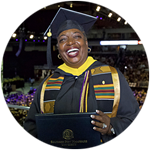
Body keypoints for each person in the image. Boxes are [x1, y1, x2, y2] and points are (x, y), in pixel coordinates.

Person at [24, 7, 140, 144]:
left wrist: (111, 127)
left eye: (77, 36)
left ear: (86, 43)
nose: (70, 43)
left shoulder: (112, 76)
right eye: (62, 39)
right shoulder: (48, 84)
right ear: (59, 50)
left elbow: (133, 117)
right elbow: (31, 125)